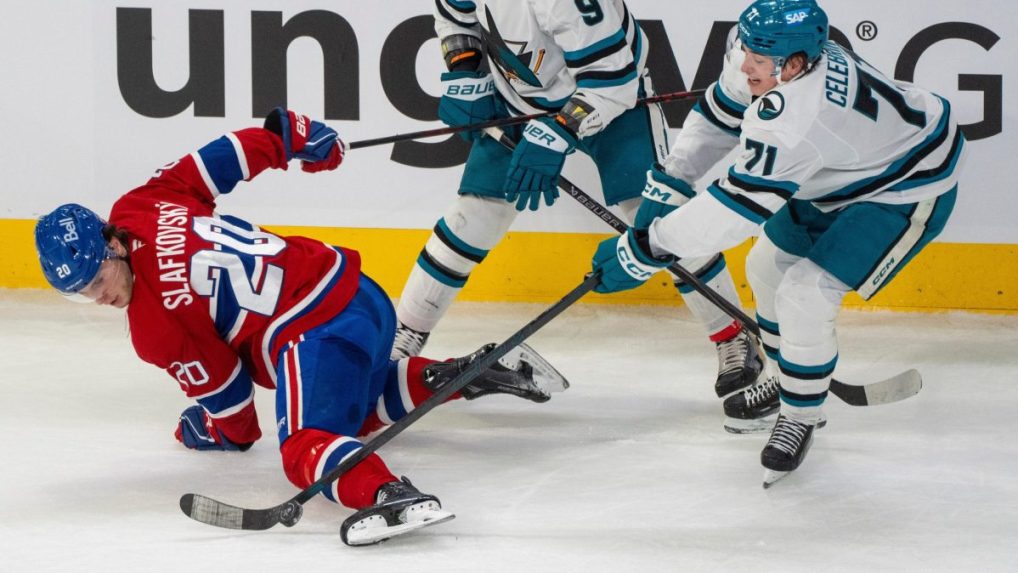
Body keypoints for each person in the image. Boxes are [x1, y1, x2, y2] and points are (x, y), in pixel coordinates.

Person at [33, 109, 569, 546]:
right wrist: (289, 138)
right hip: (360, 292)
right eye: (80, 291)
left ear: (115, 244)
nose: (97, 295)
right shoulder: (140, 205)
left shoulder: (154, 328)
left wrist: (211, 430)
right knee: (355, 409)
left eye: (97, 276)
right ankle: (468, 372)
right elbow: (218, 161)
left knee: (306, 447)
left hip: (315, 331)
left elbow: (234, 409)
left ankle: (390, 495)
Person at [590, 0, 965, 486]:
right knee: (766, 266)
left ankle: (801, 416)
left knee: (806, 293)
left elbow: (734, 214)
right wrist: (669, 185)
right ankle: (788, 380)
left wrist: (644, 250)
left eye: (759, 61)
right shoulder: (768, 57)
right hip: (838, 170)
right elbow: (718, 117)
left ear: (794, 66)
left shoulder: (799, 116)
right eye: (745, 50)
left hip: (905, 185)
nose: (745, 64)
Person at [395, 0, 769, 416]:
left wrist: (557, 134)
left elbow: (613, 81)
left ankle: (732, 334)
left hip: (612, 105)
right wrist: (464, 69)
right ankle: (403, 336)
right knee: (473, 216)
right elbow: (456, 16)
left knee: (654, 216)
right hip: (518, 103)